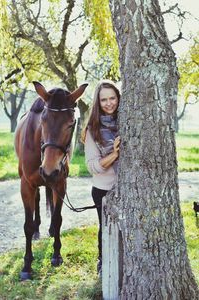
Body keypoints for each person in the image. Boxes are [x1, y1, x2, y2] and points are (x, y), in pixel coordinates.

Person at [82, 79, 121, 275]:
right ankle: (103, 262)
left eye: (112, 98)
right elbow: (92, 166)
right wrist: (114, 155)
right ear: (98, 103)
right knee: (106, 229)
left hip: (128, 188)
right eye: (104, 100)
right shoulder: (92, 129)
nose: (109, 103)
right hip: (103, 189)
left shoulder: (127, 121)